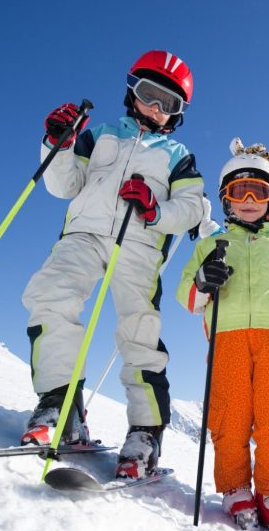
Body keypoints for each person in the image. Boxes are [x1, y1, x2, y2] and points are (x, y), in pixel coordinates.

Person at [20, 49, 205, 481]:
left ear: (178, 114)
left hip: (140, 245)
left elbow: (192, 207)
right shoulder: (99, 134)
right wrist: (58, 143)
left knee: (138, 331)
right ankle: (60, 406)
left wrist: (156, 210)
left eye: (169, 103)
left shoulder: (177, 154)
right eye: (149, 94)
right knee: (51, 297)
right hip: (84, 234)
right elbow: (63, 185)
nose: (156, 109)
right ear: (131, 92)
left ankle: (145, 433)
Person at [176, 140, 269, 531]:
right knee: (230, 413)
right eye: (237, 192)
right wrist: (204, 282)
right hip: (226, 339)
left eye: (257, 192)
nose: (247, 200)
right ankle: (236, 488)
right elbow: (188, 298)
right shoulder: (209, 246)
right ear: (225, 199)